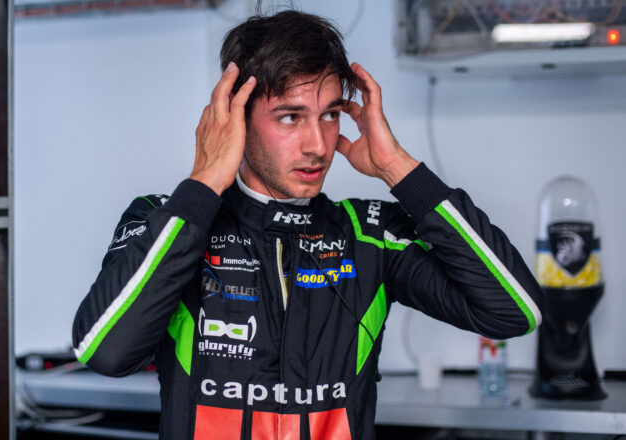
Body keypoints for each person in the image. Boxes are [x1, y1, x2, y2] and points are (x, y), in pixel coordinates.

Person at [72, 10, 544, 440]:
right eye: (290, 117)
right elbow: (104, 352)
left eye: (330, 115)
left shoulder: (369, 235)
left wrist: (399, 169)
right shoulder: (168, 220)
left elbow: (515, 311)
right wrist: (204, 183)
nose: (318, 145)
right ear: (236, 117)